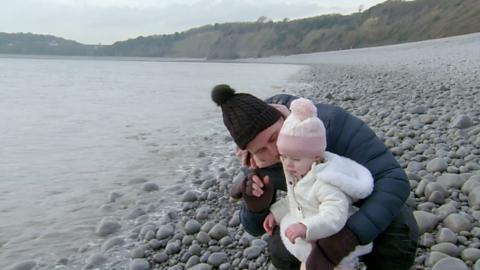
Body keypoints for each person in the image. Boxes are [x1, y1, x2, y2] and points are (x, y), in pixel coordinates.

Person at [211, 84, 419, 270]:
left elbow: (393, 179)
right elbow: (255, 228)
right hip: (313, 210)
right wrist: (255, 208)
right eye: (261, 150)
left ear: (282, 118)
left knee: (399, 234)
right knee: (279, 248)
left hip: (363, 198)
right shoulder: (255, 161)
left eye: (274, 137)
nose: (274, 152)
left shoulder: (328, 124)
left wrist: (347, 238)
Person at [263, 97, 374, 270]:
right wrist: (275, 213)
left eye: (296, 159)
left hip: (334, 246)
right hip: (314, 240)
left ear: (316, 156)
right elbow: (295, 199)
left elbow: (334, 216)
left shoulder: (326, 182)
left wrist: (305, 227)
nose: (288, 164)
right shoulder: (301, 172)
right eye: (284, 157)